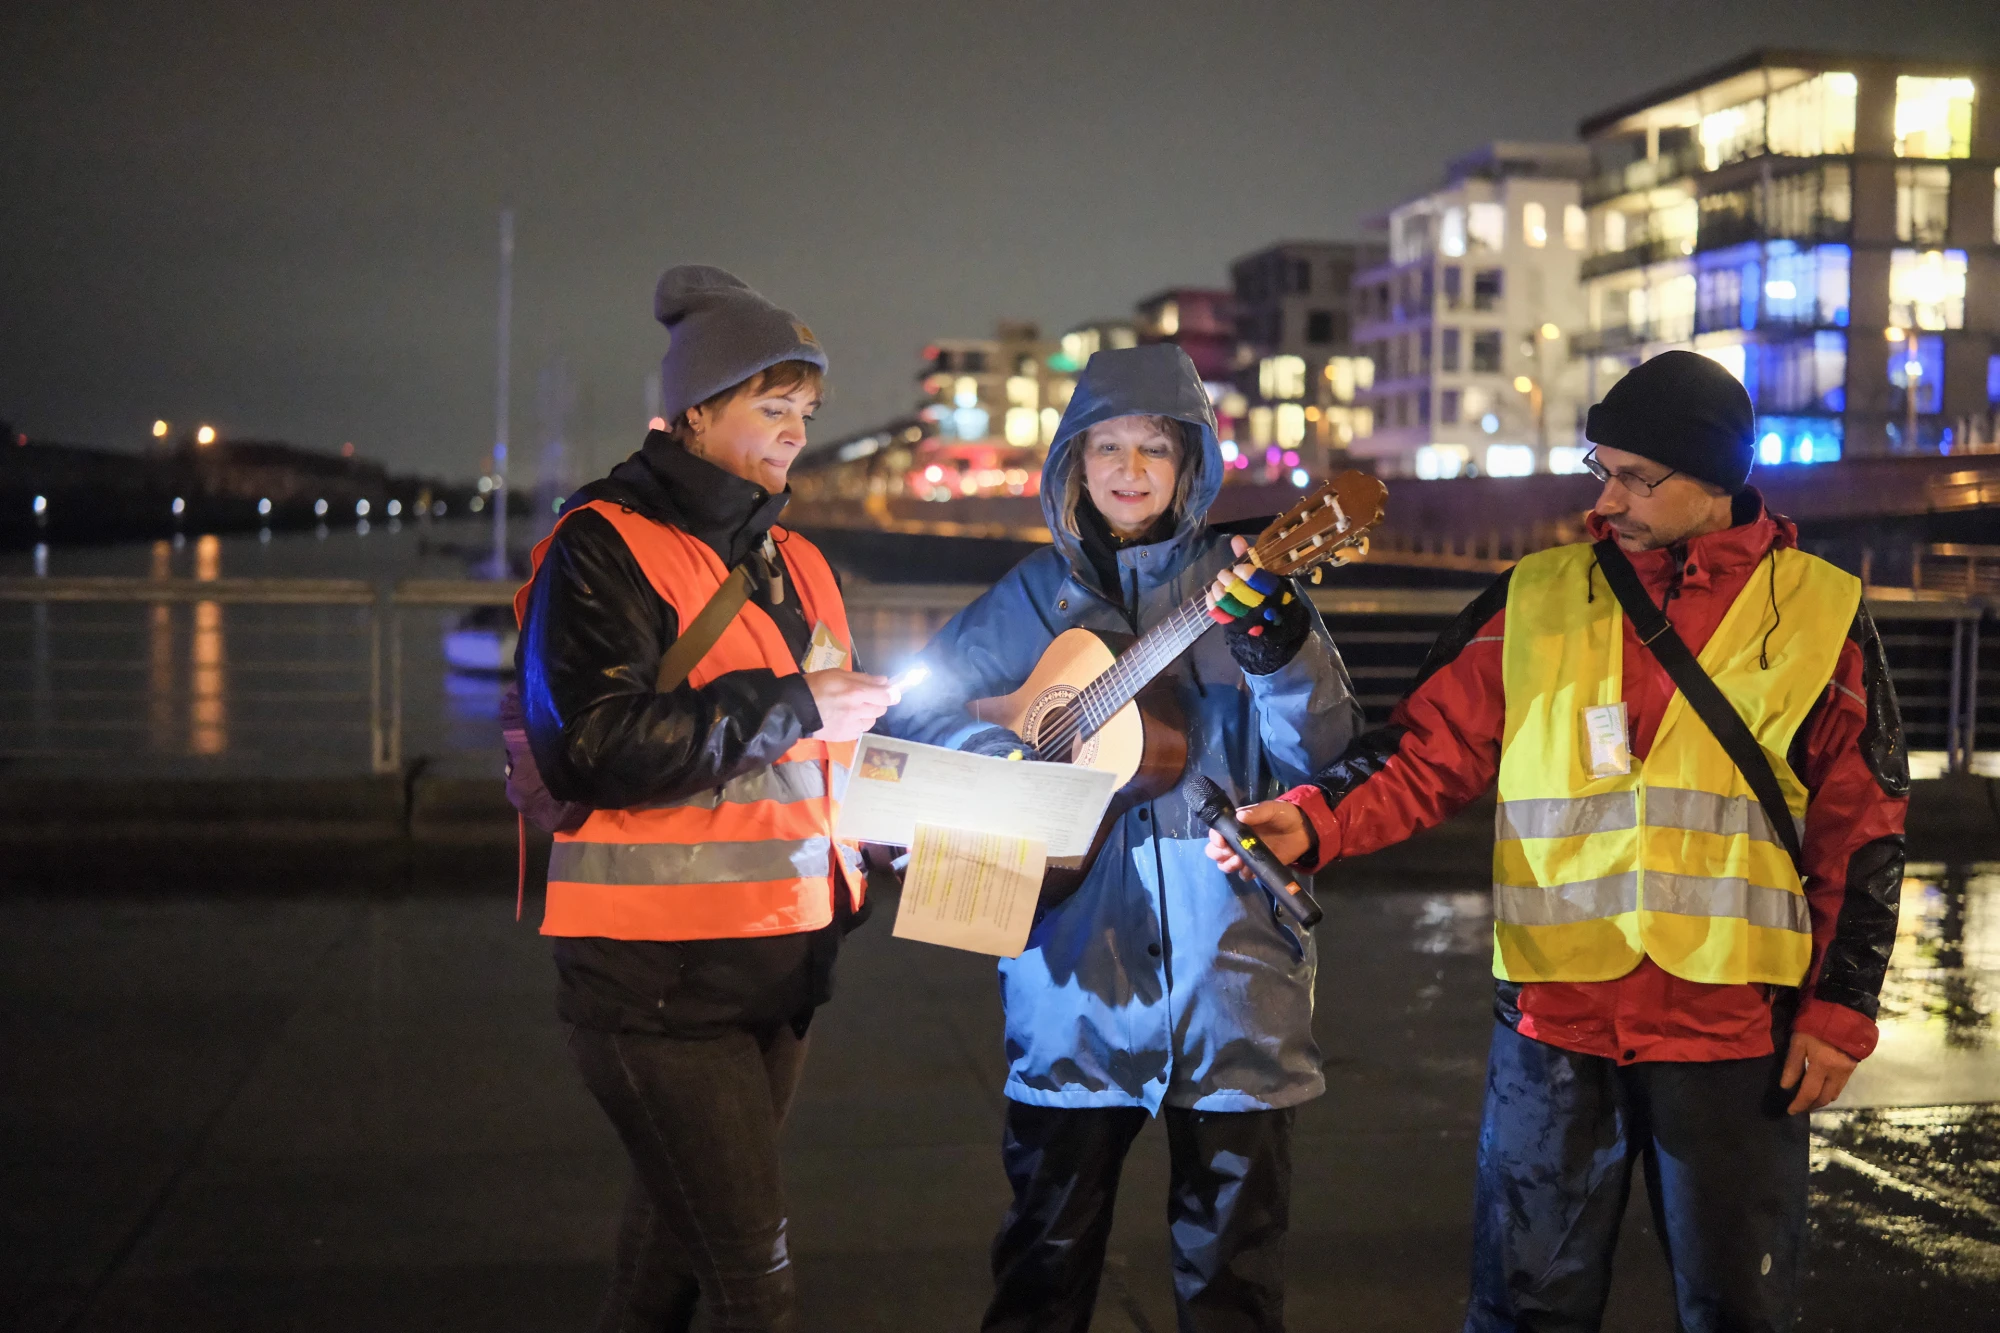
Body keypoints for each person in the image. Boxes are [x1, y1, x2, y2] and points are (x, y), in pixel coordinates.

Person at [1209, 350, 1907, 1333]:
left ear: (1714, 480)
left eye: (1635, 477)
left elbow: (1862, 827)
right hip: (1551, 1020)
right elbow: (1422, 753)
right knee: (1520, 1309)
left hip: (1732, 1025)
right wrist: (1313, 819)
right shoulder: (1531, 597)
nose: (1606, 497)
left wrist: (1839, 1012)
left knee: (1736, 1310)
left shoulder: (1821, 611)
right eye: (1599, 469)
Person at [885, 342, 1361, 1331]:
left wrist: (1276, 651)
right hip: (1069, 975)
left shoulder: (1247, 582)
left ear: (1193, 465)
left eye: (1154, 447)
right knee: (1041, 1271)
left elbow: (1320, 752)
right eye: (1105, 445)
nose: (1129, 469)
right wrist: (1005, 749)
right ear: (1071, 462)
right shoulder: (1025, 598)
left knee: (1233, 1278)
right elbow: (912, 714)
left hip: (1230, 976)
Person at [515, 265, 893, 1333]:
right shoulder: (603, 544)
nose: (792, 434)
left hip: (779, 964)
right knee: (753, 1283)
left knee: (671, 1255)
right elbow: (589, 743)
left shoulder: (798, 563)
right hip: (656, 984)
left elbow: (818, 749)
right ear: (692, 411)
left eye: (804, 413)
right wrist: (796, 704)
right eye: (769, 409)